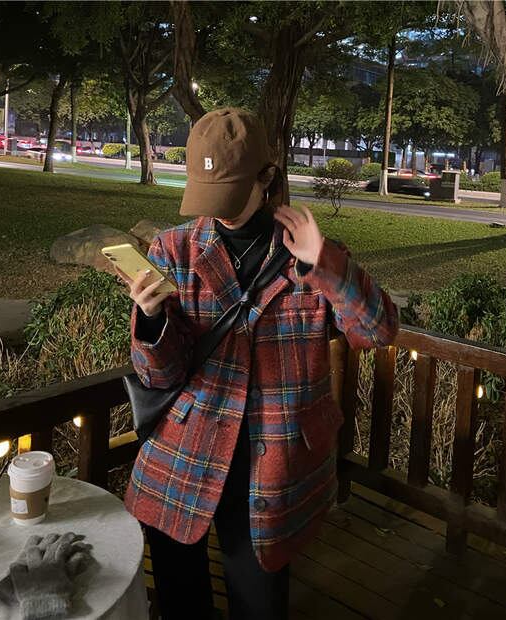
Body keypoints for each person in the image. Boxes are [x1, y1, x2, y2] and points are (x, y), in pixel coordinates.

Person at [116, 107, 399, 620]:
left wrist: (323, 263)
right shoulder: (175, 249)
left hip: (272, 462)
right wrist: (151, 319)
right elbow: (160, 375)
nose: (217, 212)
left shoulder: (307, 256)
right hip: (186, 450)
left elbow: (378, 331)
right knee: (180, 601)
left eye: (228, 193)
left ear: (266, 179)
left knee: (259, 604)